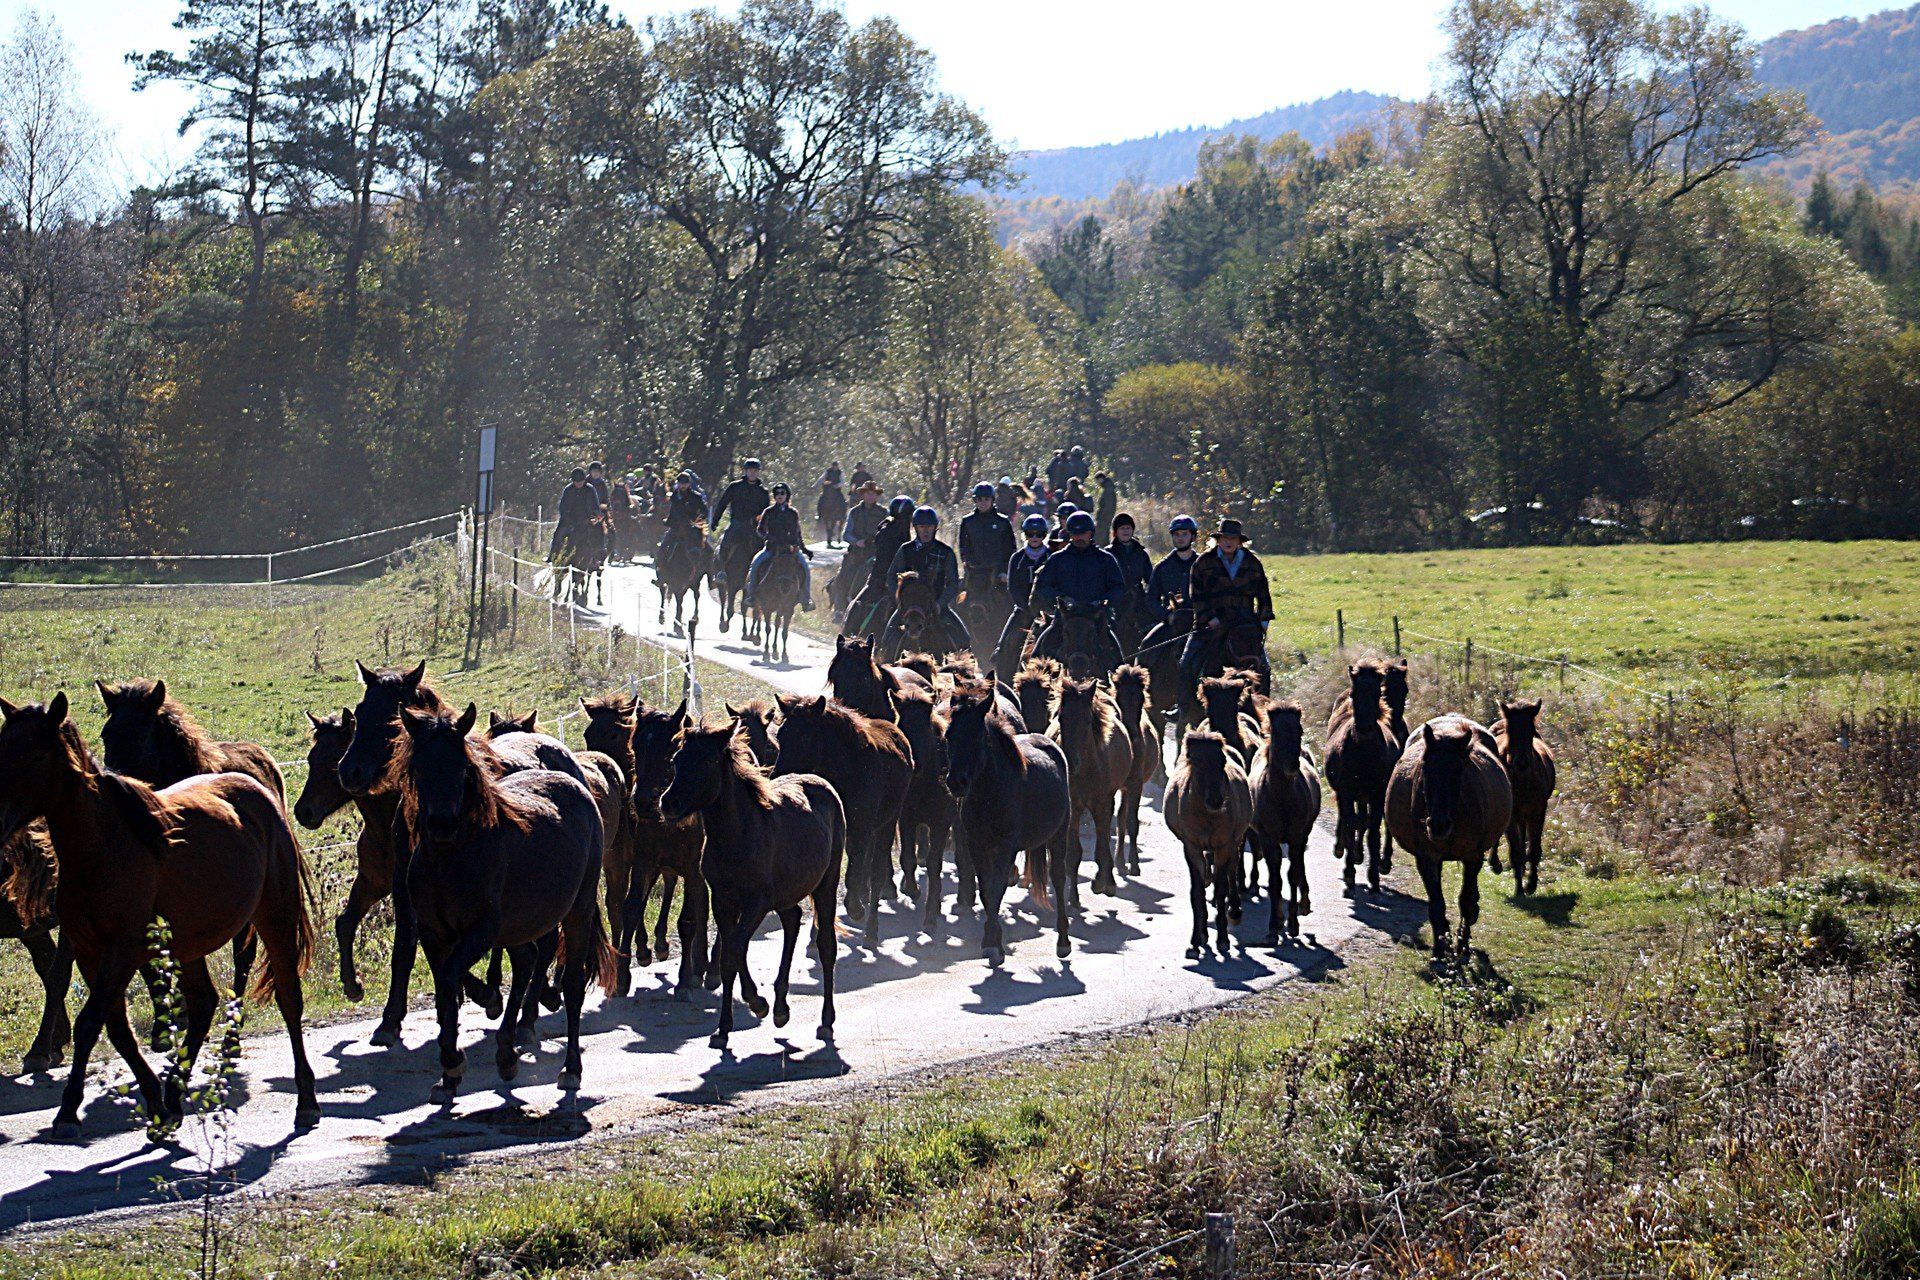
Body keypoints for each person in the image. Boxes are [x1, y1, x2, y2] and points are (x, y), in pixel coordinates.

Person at [1181, 517, 1274, 686]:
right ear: (1218, 540)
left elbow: (1263, 593)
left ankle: (1264, 706)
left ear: (1240, 541)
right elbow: (1197, 596)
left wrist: (1264, 619)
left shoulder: (1253, 563)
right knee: (1187, 664)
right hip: (1208, 626)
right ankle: (1182, 708)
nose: (1228, 542)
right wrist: (1210, 618)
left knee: (1264, 669)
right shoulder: (1202, 563)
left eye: (1233, 538)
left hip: (1245, 625)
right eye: (1225, 538)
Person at [1029, 511, 1126, 674]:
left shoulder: (1106, 559)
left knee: (1118, 664)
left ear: (1091, 534)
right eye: (1075, 534)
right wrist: (1060, 599)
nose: (1080, 537)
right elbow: (1042, 587)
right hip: (1064, 618)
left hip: (1097, 619)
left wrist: (1103, 601)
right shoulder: (1057, 559)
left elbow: (1118, 588)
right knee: (1036, 658)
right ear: (1070, 534)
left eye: (1084, 533)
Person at [881, 506, 967, 655]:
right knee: (888, 638)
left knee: (964, 638)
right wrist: (900, 600)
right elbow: (891, 577)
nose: (925, 531)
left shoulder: (945, 552)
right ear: (915, 528)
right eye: (922, 527)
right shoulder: (905, 549)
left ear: (935, 528)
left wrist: (940, 604)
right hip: (908, 606)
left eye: (929, 527)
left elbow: (953, 583)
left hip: (937, 606)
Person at [844, 494, 916, 635]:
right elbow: (885, 561)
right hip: (881, 579)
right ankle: (849, 637)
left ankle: (849, 631)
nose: (904, 521)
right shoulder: (886, 532)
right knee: (856, 606)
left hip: (900, 582)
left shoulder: (908, 534)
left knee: (856, 607)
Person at [995, 512, 1053, 673]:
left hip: (1047, 611)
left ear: (1044, 535)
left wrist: (1045, 609)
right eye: (1030, 534)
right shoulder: (1017, 558)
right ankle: (1003, 666)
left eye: (1039, 534)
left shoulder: (1052, 557)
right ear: (1025, 535)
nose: (1034, 537)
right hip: (1023, 609)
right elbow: (1012, 587)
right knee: (1008, 641)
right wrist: (1025, 607)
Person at [746, 482, 814, 612]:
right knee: (755, 566)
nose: (779, 496)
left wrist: (804, 549)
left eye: (782, 493)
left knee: (805, 569)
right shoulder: (768, 511)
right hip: (771, 548)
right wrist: (768, 537)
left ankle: (806, 600)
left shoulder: (793, 513)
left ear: (787, 495)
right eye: (777, 493)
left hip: (790, 550)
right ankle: (752, 596)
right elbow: (759, 529)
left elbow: (798, 533)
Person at [832, 479, 887, 619]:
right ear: (863, 495)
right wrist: (857, 542)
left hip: (876, 554)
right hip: (856, 554)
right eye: (868, 493)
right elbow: (846, 534)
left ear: (877, 495)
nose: (871, 496)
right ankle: (838, 610)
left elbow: (889, 533)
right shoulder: (854, 512)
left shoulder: (884, 513)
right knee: (841, 578)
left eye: (873, 494)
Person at [958, 481, 1015, 597]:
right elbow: (963, 547)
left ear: (992, 500)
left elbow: (1010, 549)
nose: (983, 502)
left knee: (1010, 602)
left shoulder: (1003, 522)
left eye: (986, 499)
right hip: (974, 573)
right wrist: (967, 563)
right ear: (975, 501)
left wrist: (1005, 571)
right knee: (957, 601)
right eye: (979, 499)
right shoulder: (967, 522)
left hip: (998, 574)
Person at [1146, 514, 1201, 622]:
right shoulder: (1162, 567)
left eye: (1184, 534)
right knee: (1148, 640)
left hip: (1199, 622)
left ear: (1193, 536)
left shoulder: (1203, 564)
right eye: (1176, 534)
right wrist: (1166, 616)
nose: (1180, 538)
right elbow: (1151, 599)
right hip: (1171, 621)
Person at [1107, 512, 1152, 634]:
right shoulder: (1107, 554)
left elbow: (1150, 580)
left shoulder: (1141, 553)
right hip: (1115, 602)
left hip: (1138, 602)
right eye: (1122, 528)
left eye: (1128, 528)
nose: (1125, 531)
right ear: (1116, 531)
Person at [550, 467, 601, 562]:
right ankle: (552, 556)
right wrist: (567, 519)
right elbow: (562, 507)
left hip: (587, 520)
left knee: (599, 533)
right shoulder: (568, 490)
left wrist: (596, 517)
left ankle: (598, 557)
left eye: (581, 482)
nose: (578, 484)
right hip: (571, 520)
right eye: (576, 482)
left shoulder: (590, 489)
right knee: (558, 534)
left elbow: (596, 506)